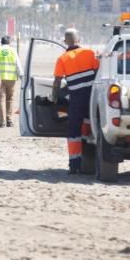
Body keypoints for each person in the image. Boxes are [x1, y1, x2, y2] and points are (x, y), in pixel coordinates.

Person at [52, 28, 99, 174]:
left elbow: (57, 82)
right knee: (92, 128)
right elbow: (98, 73)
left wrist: (54, 98)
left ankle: (74, 165)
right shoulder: (90, 53)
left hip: (76, 99)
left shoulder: (62, 59)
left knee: (73, 132)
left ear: (65, 42)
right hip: (92, 98)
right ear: (79, 39)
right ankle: (92, 161)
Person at [0, 36, 20, 128]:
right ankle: (9, 120)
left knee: (0, 100)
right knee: (10, 99)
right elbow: (17, 64)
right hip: (11, 78)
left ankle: (2, 122)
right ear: (9, 42)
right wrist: (21, 75)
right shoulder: (13, 50)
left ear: (1, 42)